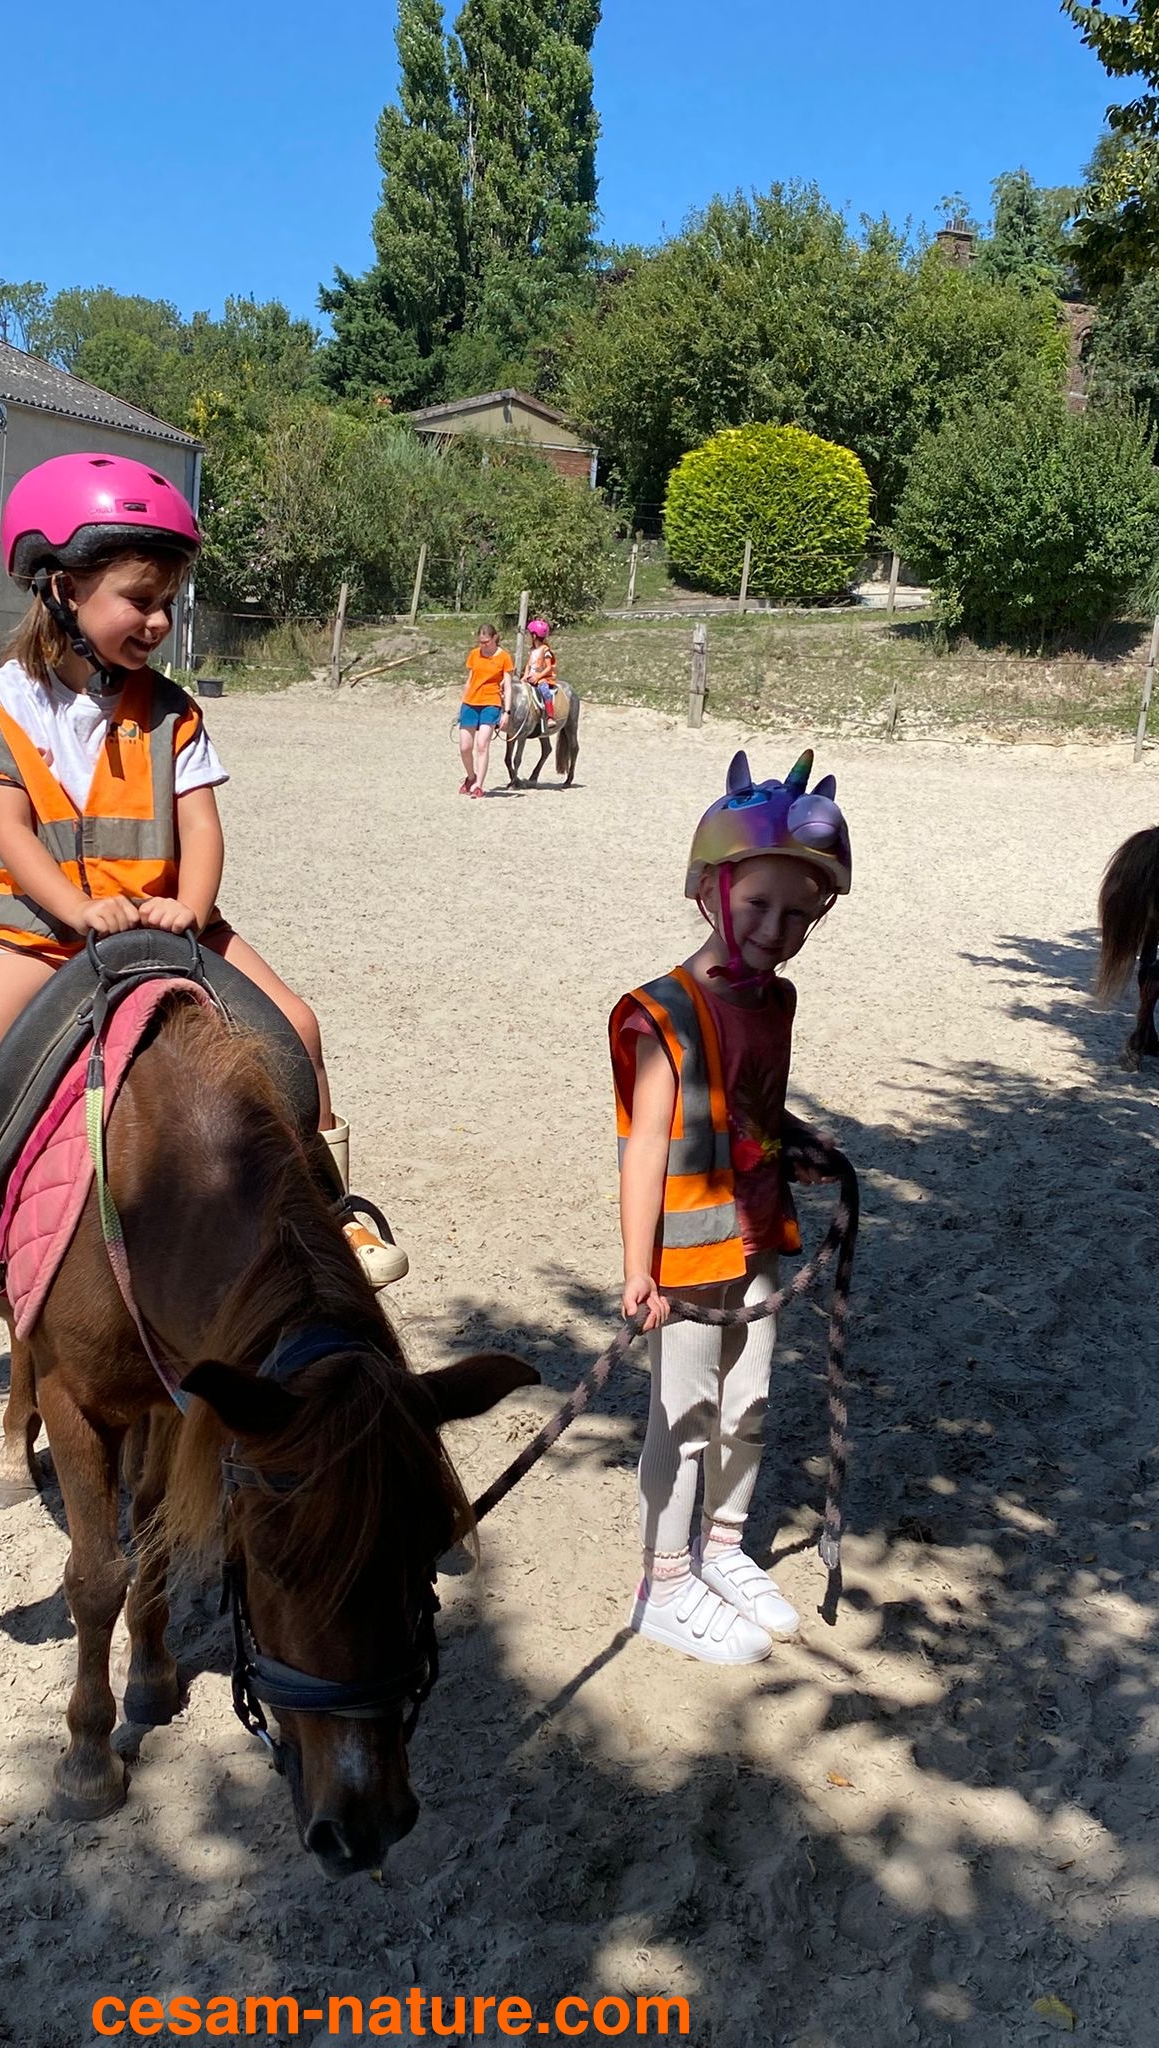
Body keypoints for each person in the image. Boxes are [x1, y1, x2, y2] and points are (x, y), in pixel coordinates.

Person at [0, 453, 407, 1371]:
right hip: (41, 929)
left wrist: (190, 906)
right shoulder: (7, 703)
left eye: (168, 604)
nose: (157, 622)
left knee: (298, 1026)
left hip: (173, 918)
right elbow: (12, 829)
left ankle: (330, 1208)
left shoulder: (174, 712)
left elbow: (202, 824)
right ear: (62, 589)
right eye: (140, 600)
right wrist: (76, 909)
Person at [607, 750, 851, 1664]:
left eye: (798, 915)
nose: (775, 930)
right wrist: (638, 1268)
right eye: (757, 905)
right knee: (684, 1410)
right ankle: (664, 1582)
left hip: (757, 1233)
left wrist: (799, 1143)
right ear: (711, 889)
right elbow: (647, 1144)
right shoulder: (665, 1014)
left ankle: (722, 1547)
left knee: (747, 1402)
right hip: (687, 1249)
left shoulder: (774, 1000)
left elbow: (748, 1104)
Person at [457, 623, 514, 798]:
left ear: (495, 638)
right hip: (470, 702)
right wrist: (462, 703)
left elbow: (508, 687)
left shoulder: (504, 657)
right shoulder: (474, 654)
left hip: (491, 702)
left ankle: (479, 785)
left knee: (482, 745)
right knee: (465, 747)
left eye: (486, 642)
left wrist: (507, 712)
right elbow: (470, 680)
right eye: (481, 642)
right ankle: (471, 777)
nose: (483, 645)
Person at [523, 618, 558, 721]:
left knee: (545, 691)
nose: (527, 636)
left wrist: (538, 676)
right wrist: (525, 675)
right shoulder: (532, 650)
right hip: (530, 677)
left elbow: (548, 667)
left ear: (534, 636)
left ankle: (550, 716)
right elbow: (528, 665)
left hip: (542, 678)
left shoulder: (545, 650)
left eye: (529, 634)